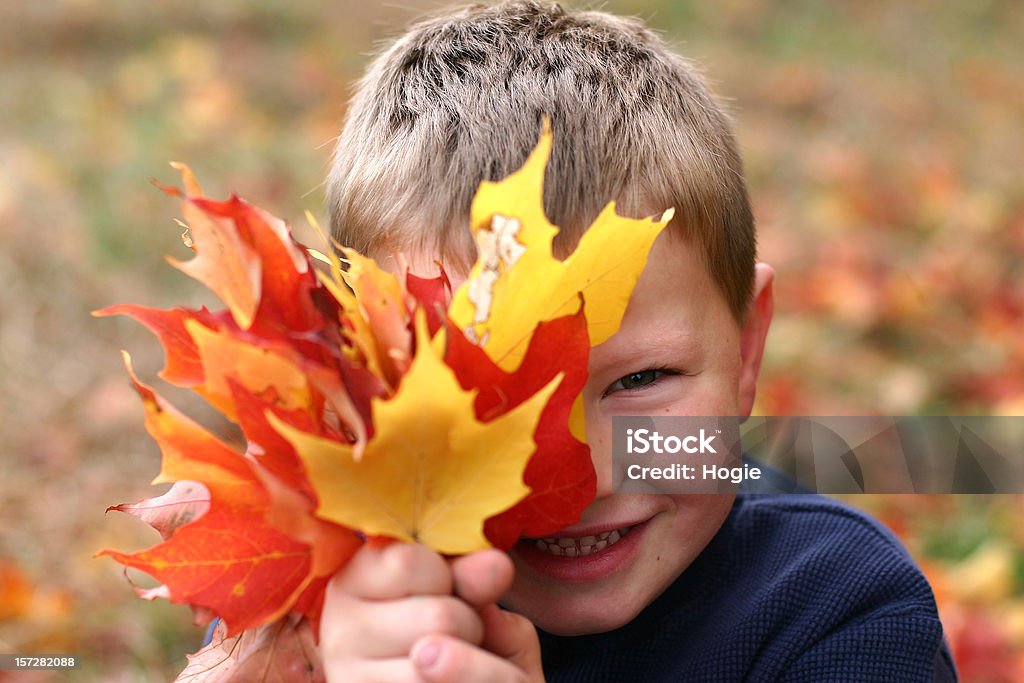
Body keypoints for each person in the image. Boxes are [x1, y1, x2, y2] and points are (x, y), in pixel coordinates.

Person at [321, 2, 958, 681]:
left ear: (745, 351)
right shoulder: (325, 596)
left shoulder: (841, 611)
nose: (581, 477)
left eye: (640, 380)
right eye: (488, 397)